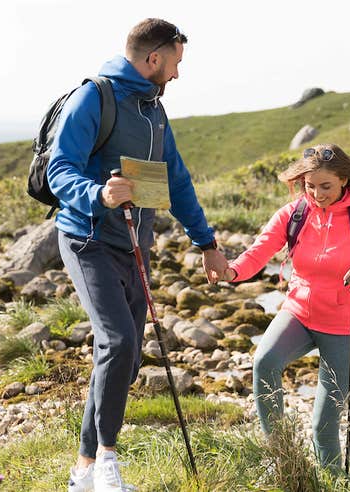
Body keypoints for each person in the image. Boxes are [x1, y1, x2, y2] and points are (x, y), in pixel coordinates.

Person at [47, 18, 228, 492]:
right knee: (118, 342)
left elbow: (178, 182)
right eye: (175, 64)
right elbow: (58, 169)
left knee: (123, 360)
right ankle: (109, 462)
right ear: (153, 58)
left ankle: (83, 471)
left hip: (133, 248)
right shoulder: (94, 97)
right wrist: (98, 194)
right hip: (86, 241)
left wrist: (206, 245)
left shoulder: (154, 113)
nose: (176, 75)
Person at [222, 144, 350, 470]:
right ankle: (282, 457)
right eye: (310, 186)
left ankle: (334, 481)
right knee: (264, 362)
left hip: (343, 325)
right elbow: (259, 251)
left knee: (324, 426)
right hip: (299, 312)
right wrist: (232, 271)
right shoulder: (295, 213)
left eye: (326, 187)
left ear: (344, 182)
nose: (317, 194)